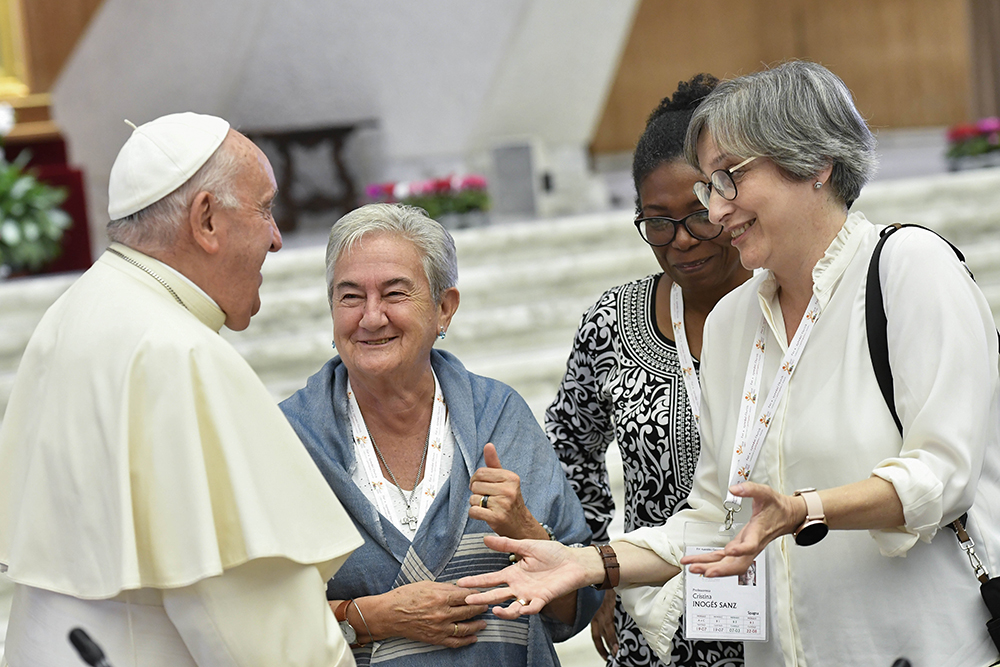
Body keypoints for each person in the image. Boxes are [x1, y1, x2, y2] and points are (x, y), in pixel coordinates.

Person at [460, 61, 1000, 667]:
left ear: (815, 164)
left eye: (728, 180)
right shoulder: (733, 322)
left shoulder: (910, 268)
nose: (715, 213)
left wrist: (804, 510)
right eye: (707, 190)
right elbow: (713, 520)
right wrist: (587, 563)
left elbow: (943, 477)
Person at [0, 112, 363, 667]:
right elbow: (259, 633)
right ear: (207, 220)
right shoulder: (178, 354)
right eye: (265, 208)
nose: (277, 238)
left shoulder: (74, 313)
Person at [279, 203, 602, 666]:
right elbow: (253, 620)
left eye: (394, 293)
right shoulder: (291, 438)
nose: (371, 317)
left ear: (443, 309)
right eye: (350, 297)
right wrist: (372, 618)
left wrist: (524, 530)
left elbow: (574, 612)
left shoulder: (498, 416)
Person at [545, 74, 747, 667]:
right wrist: (598, 565)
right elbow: (569, 449)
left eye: (699, 213)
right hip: (657, 624)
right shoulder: (612, 323)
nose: (681, 240)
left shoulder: (787, 307)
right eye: (658, 221)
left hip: (787, 612)